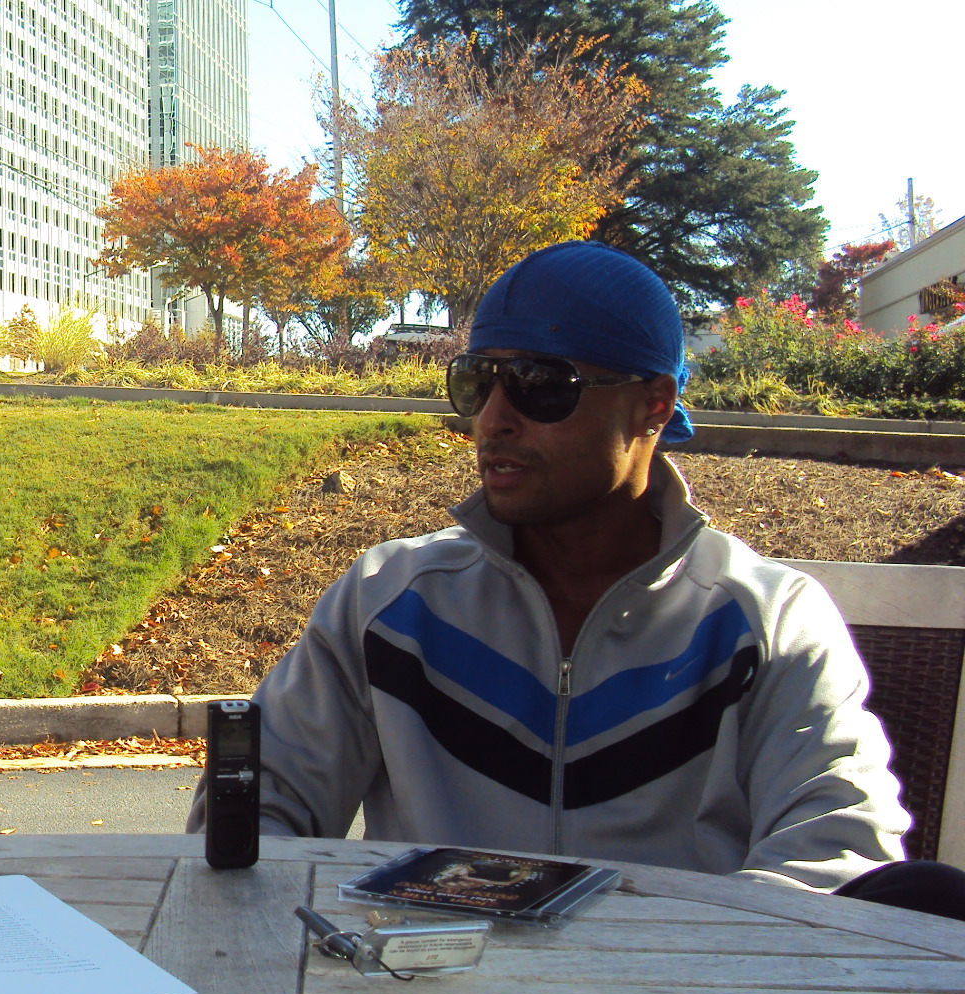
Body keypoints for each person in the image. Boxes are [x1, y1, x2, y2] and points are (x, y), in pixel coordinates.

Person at [195, 241, 965, 918]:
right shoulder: (389, 602)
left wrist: (661, 983)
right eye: (477, 381)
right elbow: (257, 812)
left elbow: (836, 853)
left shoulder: (765, 620)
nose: (492, 418)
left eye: (539, 382)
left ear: (653, 406)